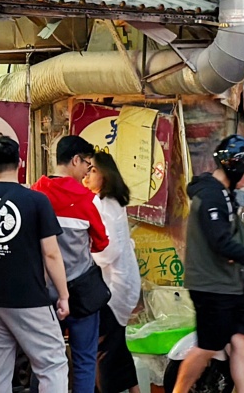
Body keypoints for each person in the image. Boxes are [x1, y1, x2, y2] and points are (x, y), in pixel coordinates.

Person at [171, 136, 244, 393]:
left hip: (230, 284)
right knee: (208, 346)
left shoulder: (224, 195)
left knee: (243, 341)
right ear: (235, 168)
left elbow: (234, 238)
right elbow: (221, 242)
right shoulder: (210, 195)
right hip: (211, 285)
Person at [0, 136, 70, 393]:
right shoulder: (37, 201)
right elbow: (52, 254)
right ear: (20, 162)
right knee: (52, 363)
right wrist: (64, 295)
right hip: (29, 298)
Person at [31, 136, 110, 393]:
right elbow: (101, 243)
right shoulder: (86, 201)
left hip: (43, 293)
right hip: (80, 293)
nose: (88, 171)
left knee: (43, 360)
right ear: (75, 160)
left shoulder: (34, 193)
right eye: (87, 164)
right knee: (85, 358)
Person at [86, 152, 142, 393]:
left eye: (93, 170)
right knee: (117, 346)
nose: (87, 175)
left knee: (103, 352)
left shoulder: (101, 204)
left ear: (105, 176)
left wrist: (87, 253)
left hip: (113, 288)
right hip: (124, 284)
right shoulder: (114, 202)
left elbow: (109, 251)